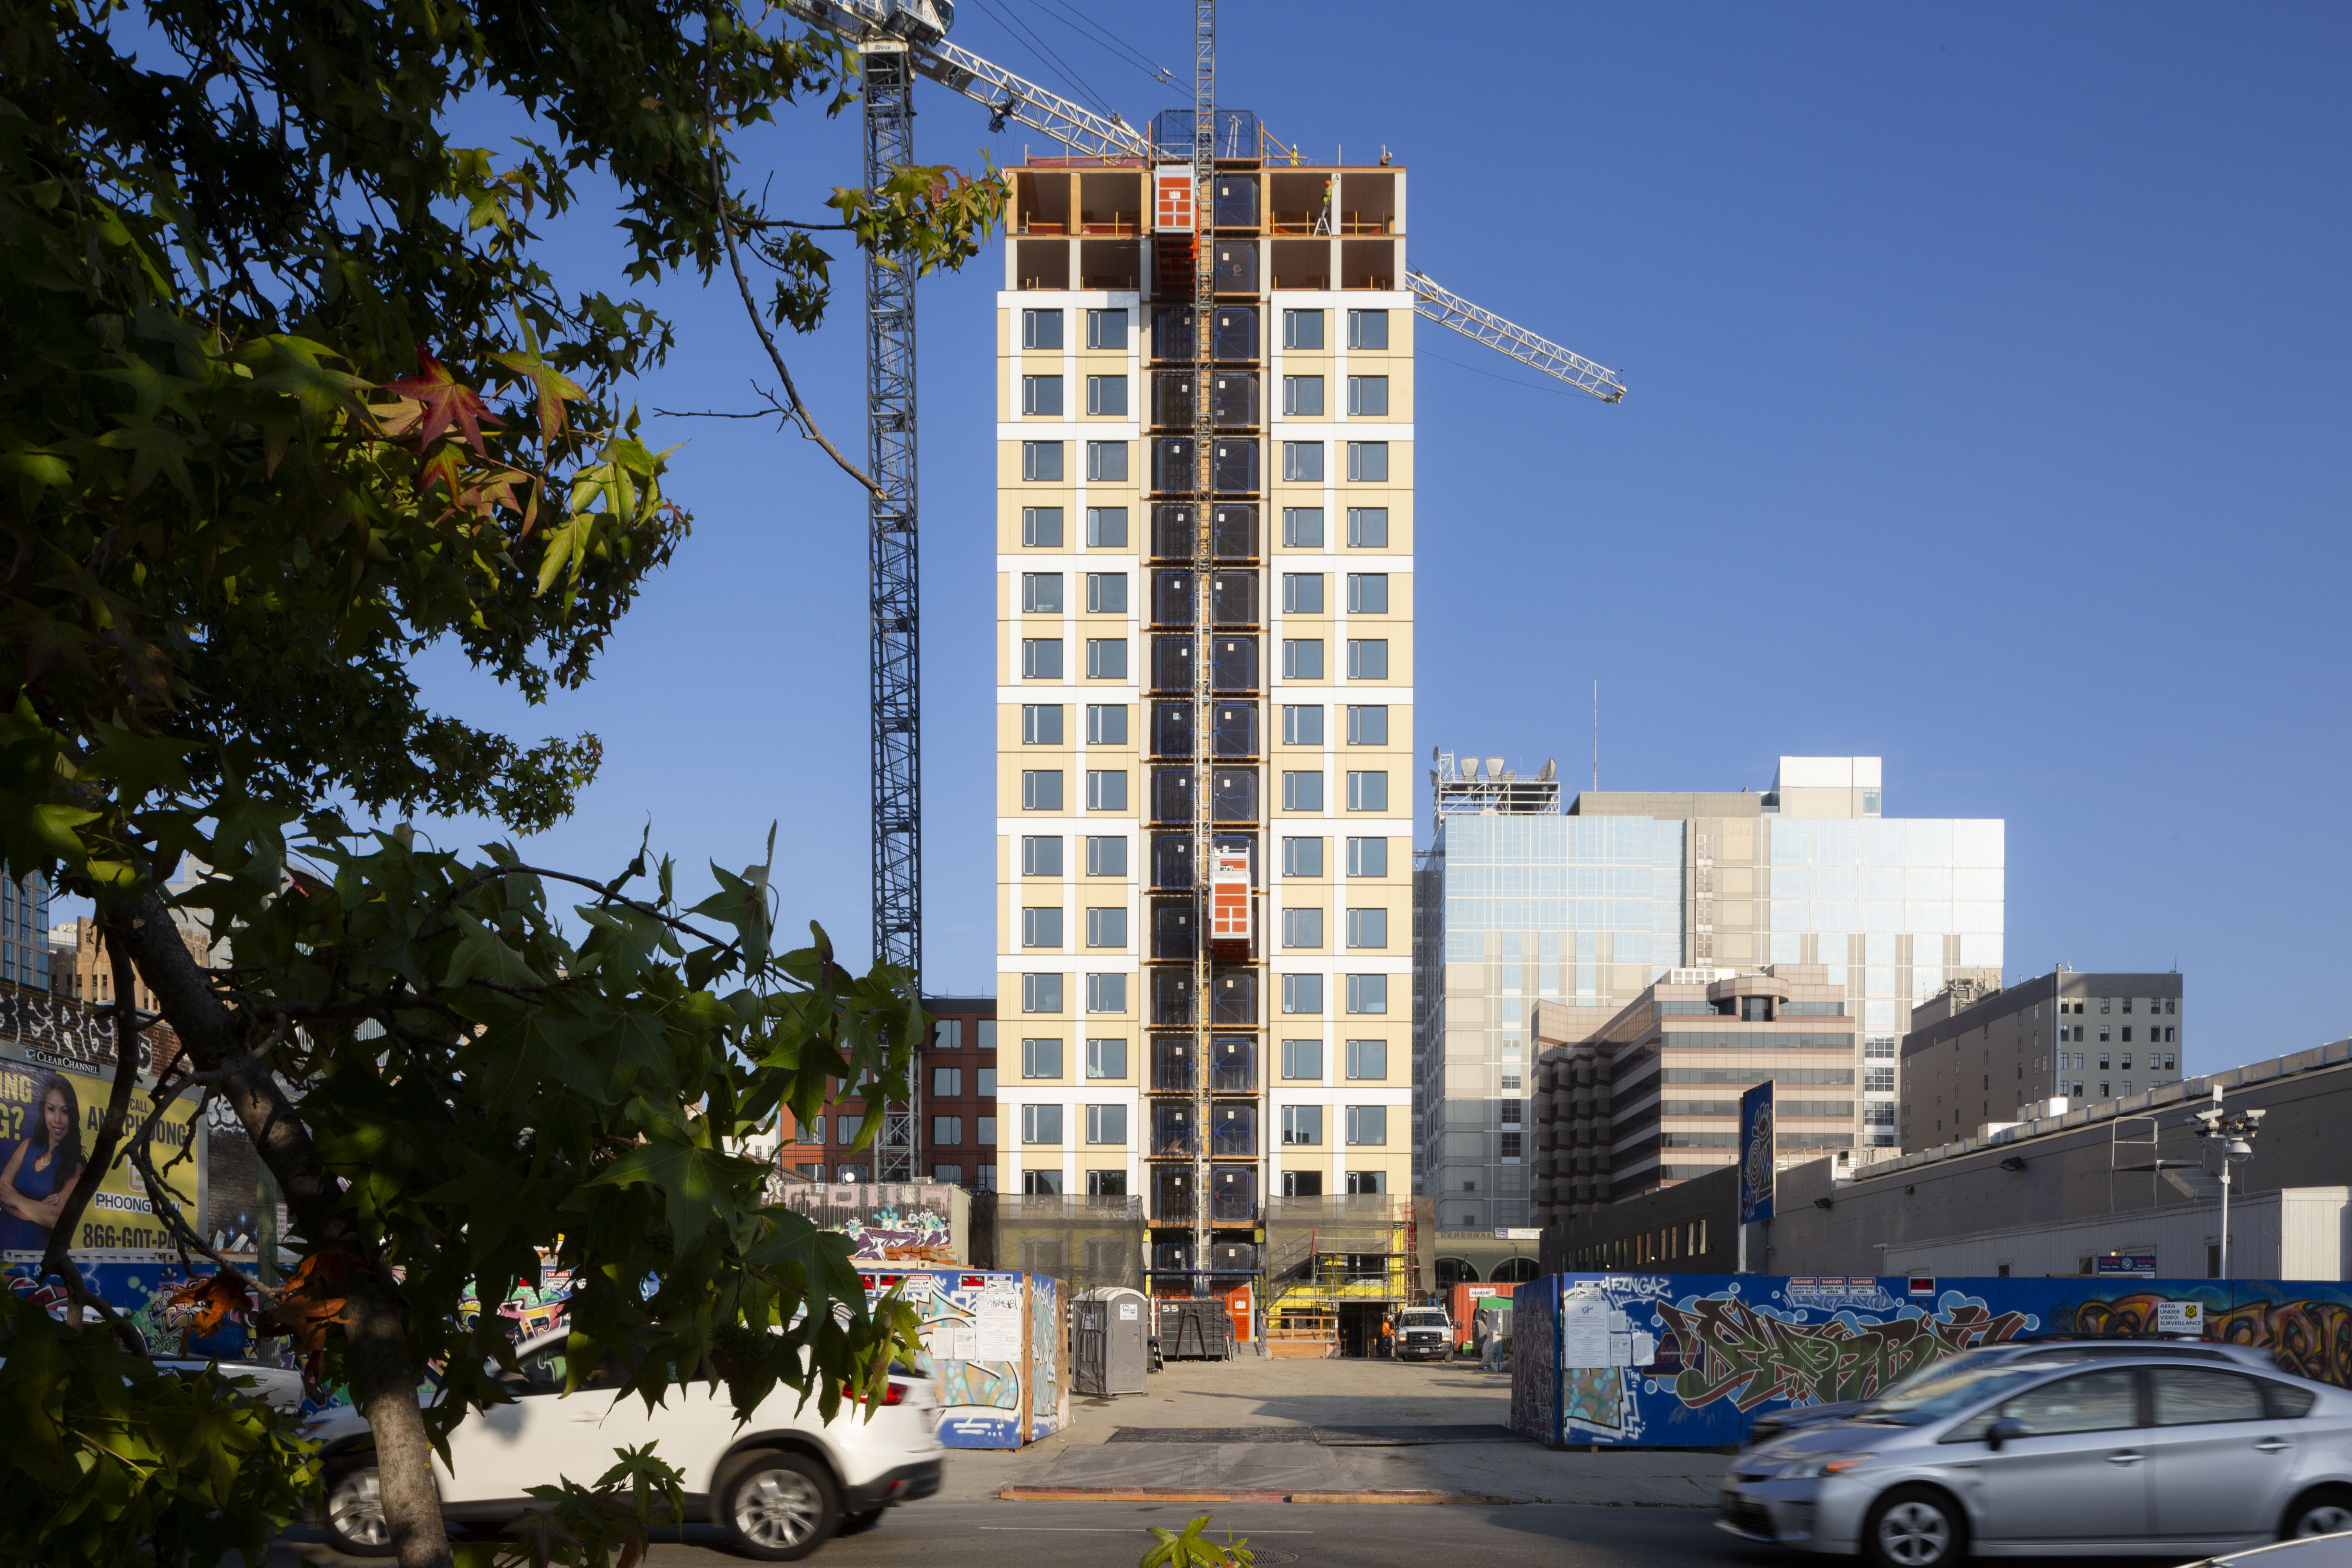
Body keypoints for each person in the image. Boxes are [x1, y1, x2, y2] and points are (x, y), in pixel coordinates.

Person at [0, 1073, 86, 1254]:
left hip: (52, 1264)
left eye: (65, 1111)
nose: (57, 1120)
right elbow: (2, 1193)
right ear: (43, 1111)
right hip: (16, 1259)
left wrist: (16, 1199)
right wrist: (40, 1212)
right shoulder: (27, 1147)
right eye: (51, 1109)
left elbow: (56, 1219)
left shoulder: (76, 1166)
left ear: (73, 1115)